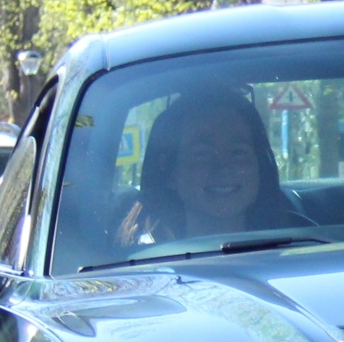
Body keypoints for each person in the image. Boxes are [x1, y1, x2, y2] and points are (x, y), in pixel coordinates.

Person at [117, 89, 309, 246]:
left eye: (238, 152)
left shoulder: (304, 247)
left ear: (260, 166)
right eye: (202, 153)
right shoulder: (134, 262)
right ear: (170, 172)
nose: (223, 167)